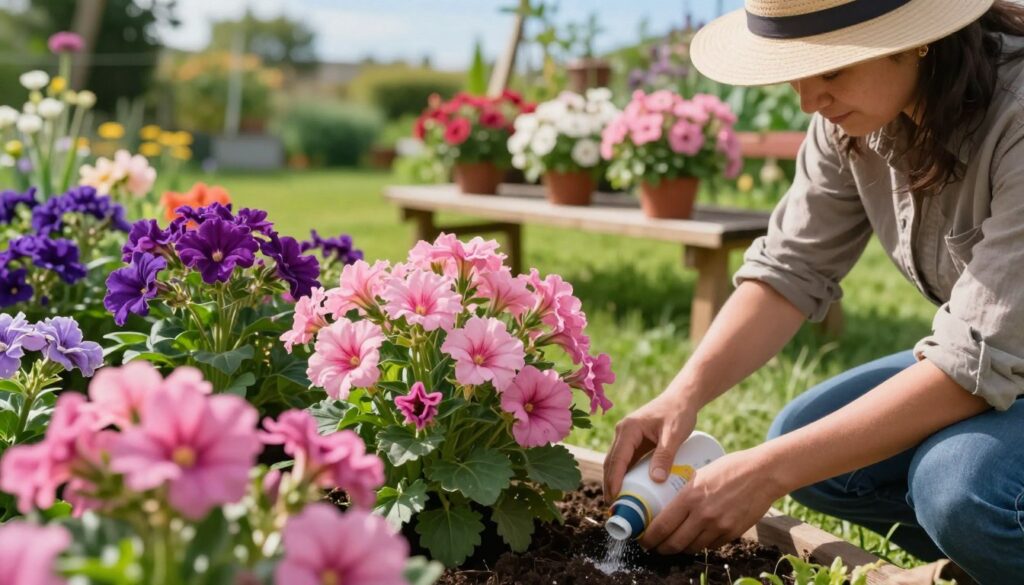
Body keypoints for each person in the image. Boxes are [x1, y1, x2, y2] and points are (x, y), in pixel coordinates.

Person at [603, 1, 1024, 583]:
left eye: (829, 69)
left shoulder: (1018, 116)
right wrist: (681, 394)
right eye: (795, 69)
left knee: (959, 490)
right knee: (811, 447)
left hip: (1001, 359)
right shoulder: (860, 118)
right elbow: (789, 269)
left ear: (915, 39)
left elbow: (979, 358)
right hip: (1006, 363)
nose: (808, 100)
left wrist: (765, 474)